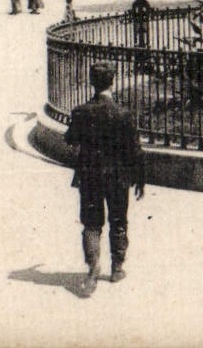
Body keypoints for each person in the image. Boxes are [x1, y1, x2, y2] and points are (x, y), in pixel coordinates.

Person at [64, 61, 146, 295]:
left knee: (91, 223)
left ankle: (93, 267)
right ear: (113, 82)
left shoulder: (80, 112)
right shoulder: (123, 114)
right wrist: (140, 178)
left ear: (92, 82)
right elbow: (136, 150)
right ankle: (117, 268)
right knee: (118, 220)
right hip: (118, 177)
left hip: (89, 175)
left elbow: (70, 139)